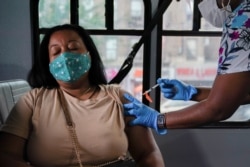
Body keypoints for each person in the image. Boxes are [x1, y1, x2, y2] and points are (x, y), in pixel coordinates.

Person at [0, 24, 165, 167]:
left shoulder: (119, 97)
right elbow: (6, 155)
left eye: (73, 48)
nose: (65, 57)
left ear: (89, 55)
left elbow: (148, 153)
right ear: (48, 63)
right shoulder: (32, 101)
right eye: (56, 52)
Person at [123, 0, 250, 132]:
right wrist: (193, 93)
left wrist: (157, 119)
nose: (200, 4)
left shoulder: (242, 24)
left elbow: (218, 109)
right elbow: (241, 94)